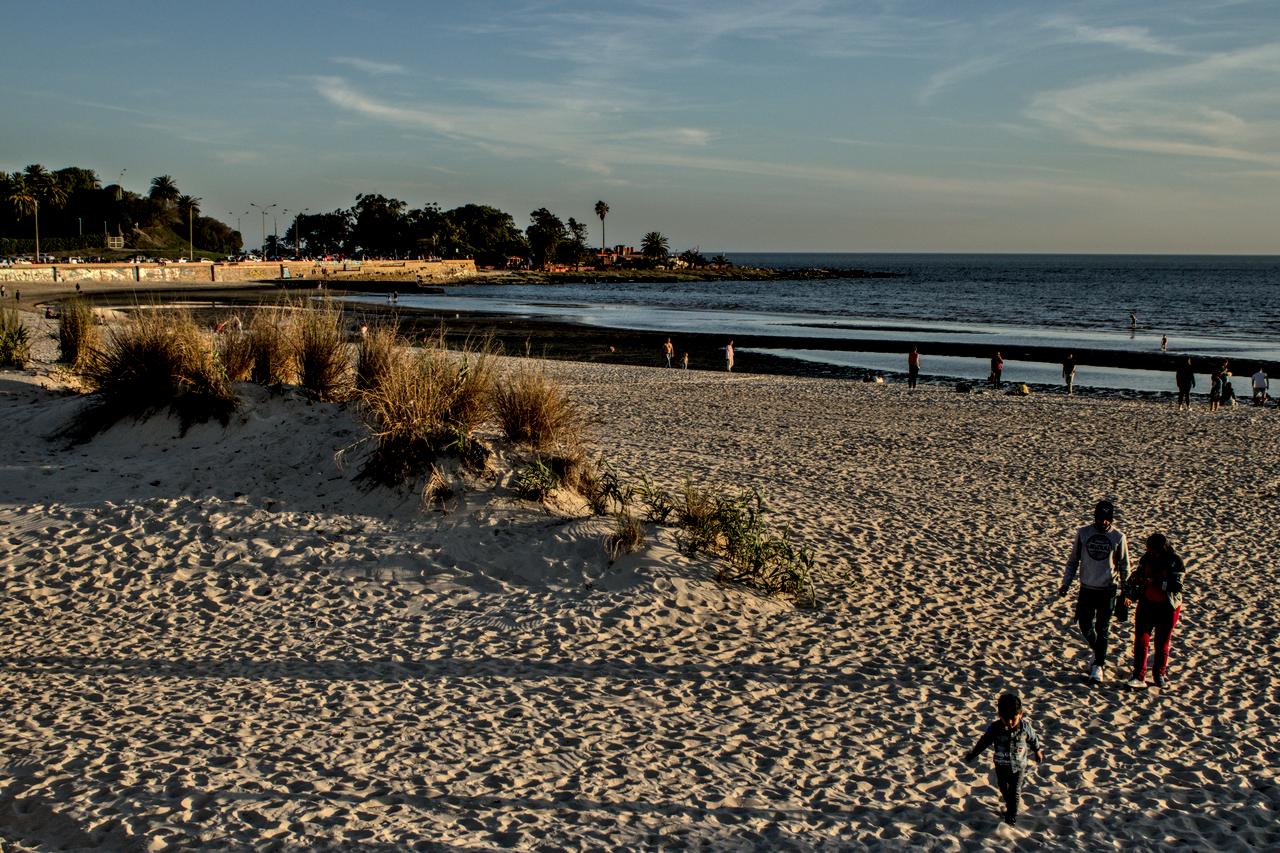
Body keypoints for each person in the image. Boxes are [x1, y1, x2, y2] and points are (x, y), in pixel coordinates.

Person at [1059, 499, 1130, 683]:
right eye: (1100, 518)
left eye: (1106, 519)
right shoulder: (1083, 533)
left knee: (1103, 628)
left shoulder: (1118, 537)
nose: (1103, 522)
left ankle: (1098, 666)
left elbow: (1124, 566)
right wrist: (1066, 584)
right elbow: (1073, 561)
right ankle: (1098, 651)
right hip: (1087, 588)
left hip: (1108, 590)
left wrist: (1126, 591)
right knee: (1084, 624)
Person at [963, 691, 1044, 825]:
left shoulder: (1025, 727)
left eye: (1014, 718)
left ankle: (1011, 817)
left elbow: (1033, 739)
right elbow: (984, 741)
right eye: (1006, 719)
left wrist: (1037, 751)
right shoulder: (995, 728)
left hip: (1019, 766)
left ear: (1021, 714)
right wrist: (973, 754)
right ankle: (1010, 805)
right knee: (1003, 788)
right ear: (999, 716)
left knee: (1015, 791)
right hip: (1001, 765)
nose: (1010, 722)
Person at [1124, 533, 1186, 689]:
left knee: (1162, 642)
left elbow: (1176, 586)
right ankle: (1139, 675)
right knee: (1141, 640)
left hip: (1167, 607)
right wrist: (1132, 591)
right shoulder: (1146, 559)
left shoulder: (1174, 562)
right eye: (1150, 550)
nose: (1152, 553)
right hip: (1147, 604)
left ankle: (1159, 673)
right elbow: (1138, 575)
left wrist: (1155, 582)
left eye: (1155, 550)